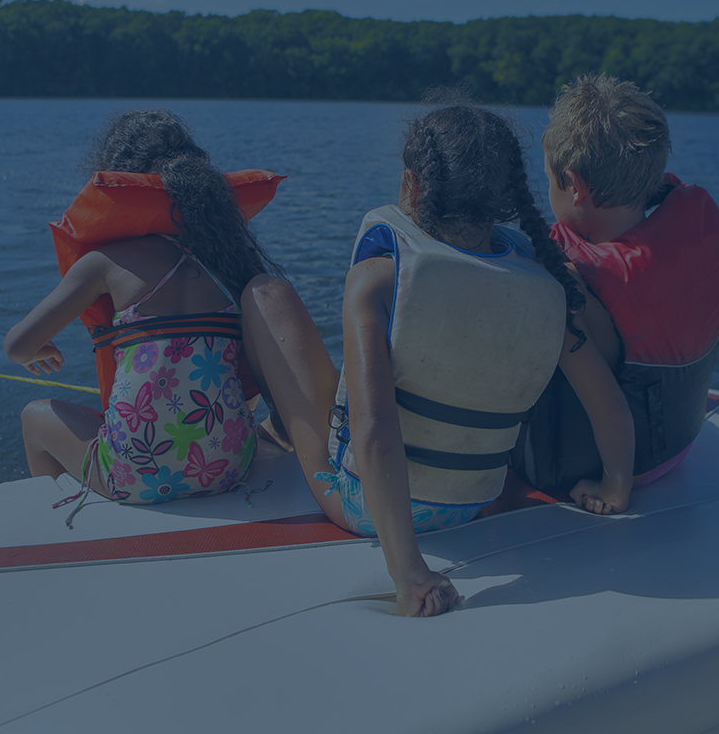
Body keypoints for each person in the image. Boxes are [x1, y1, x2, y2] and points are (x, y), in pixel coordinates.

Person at [241, 104, 635, 617]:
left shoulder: (378, 281)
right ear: (506, 193)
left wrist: (409, 572)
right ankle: (278, 429)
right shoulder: (544, 288)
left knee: (266, 294)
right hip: (471, 504)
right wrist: (615, 486)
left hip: (365, 510)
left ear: (413, 182)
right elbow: (610, 408)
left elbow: (376, 433)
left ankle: (273, 429)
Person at [5, 109, 282, 505]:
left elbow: (17, 346)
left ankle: (63, 528)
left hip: (135, 477)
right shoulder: (230, 262)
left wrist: (38, 350)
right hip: (230, 466)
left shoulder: (105, 263)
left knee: (34, 416)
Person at [514, 74, 719, 512]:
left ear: (574, 185)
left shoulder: (573, 282)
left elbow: (610, 408)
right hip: (678, 449)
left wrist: (615, 487)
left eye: (550, 179)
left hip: (611, 467)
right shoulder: (694, 227)